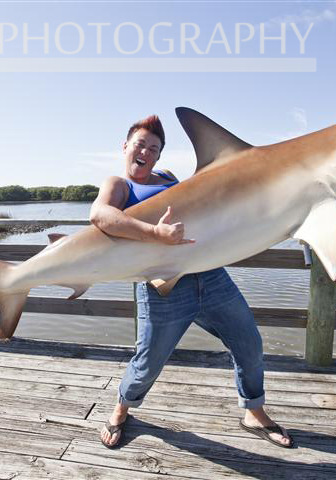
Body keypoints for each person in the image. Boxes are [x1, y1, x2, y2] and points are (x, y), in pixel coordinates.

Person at [89, 115, 294, 449]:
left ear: (158, 157)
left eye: (154, 148)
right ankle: (121, 409)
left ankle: (253, 412)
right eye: (140, 144)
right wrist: (156, 233)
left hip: (211, 277)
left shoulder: (168, 177)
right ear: (125, 147)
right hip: (164, 288)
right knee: (147, 363)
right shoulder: (119, 184)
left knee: (250, 344)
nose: (146, 152)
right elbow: (100, 216)